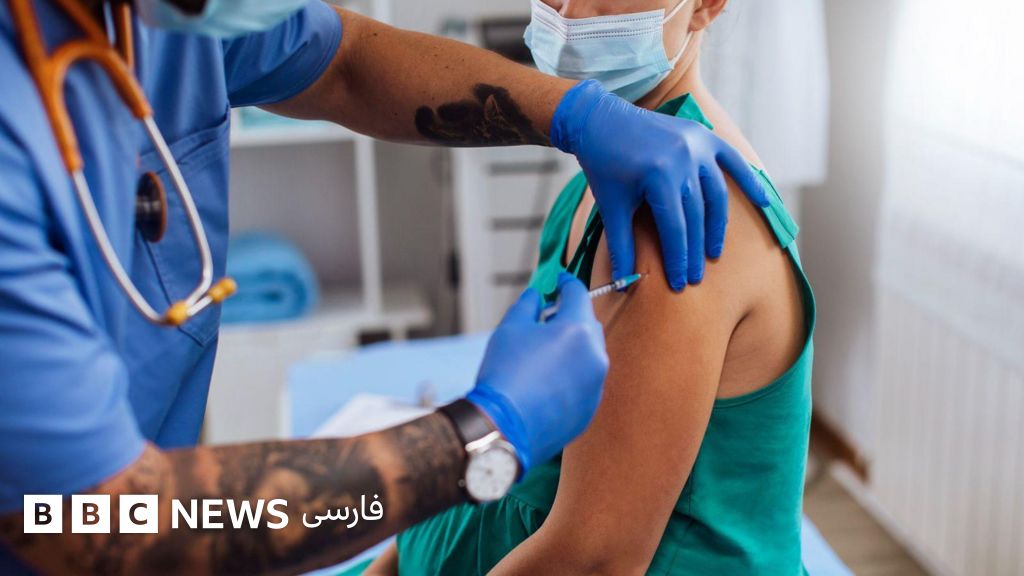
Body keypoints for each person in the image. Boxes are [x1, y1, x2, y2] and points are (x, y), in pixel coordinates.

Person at [0, 0, 770, 574]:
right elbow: (100, 521)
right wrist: (476, 437)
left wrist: (567, 111)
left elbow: (343, 62)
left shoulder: (171, 19)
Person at [371, 0, 816, 573]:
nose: (570, 11)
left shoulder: (679, 219)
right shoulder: (595, 182)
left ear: (706, 5)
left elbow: (594, 559)